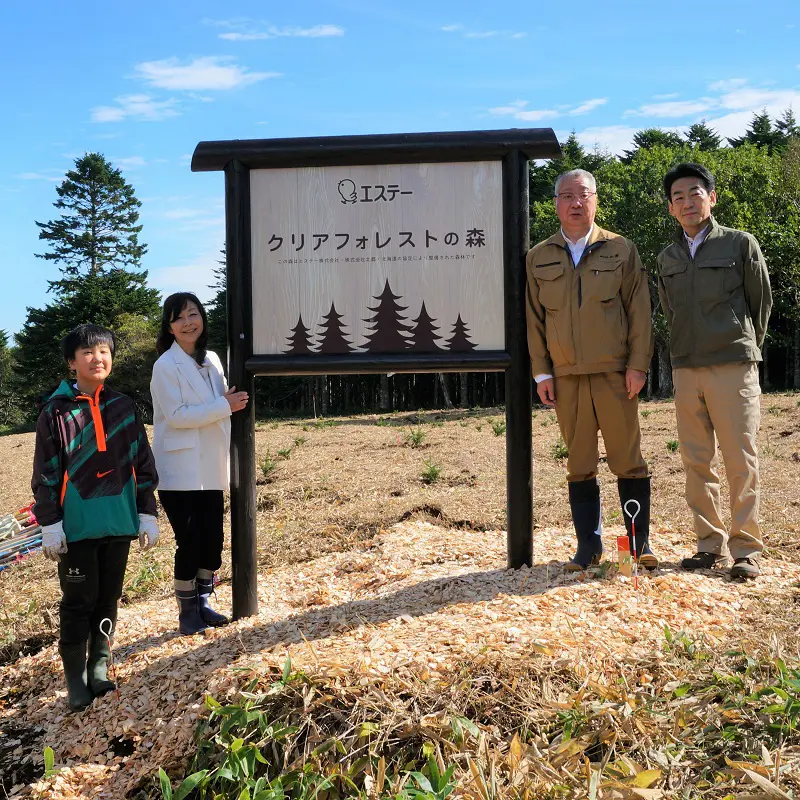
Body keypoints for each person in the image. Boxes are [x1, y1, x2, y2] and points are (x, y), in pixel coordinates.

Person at [526, 169, 656, 572]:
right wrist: (542, 373)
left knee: (628, 459)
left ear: (596, 200)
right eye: (567, 196)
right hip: (566, 377)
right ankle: (588, 547)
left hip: (615, 374)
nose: (576, 203)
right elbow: (533, 320)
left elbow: (639, 311)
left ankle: (638, 543)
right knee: (579, 463)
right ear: (556, 204)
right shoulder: (538, 257)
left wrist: (638, 365)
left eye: (583, 195)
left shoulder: (621, 248)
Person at [32, 324, 159, 711]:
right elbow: (46, 472)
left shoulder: (123, 407)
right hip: (76, 527)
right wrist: (50, 523)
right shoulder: (55, 411)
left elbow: (142, 462)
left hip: (119, 521)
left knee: (107, 598)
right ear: (71, 362)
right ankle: (75, 678)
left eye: (103, 351)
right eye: (87, 352)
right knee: (78, 601)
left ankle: (99, 667)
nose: (97, 358)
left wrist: (147, 512)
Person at [657, 163, 772, 580]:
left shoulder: (740, 244)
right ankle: (709, 545)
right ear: (671, 208)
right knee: (696, 461)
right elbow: (669, 310)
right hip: (687, 370)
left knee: (740, 459)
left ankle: (745, 549)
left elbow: (760, 303)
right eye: (678, 197)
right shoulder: (667, 257)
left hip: (732, 366)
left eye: (695, 193)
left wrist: (742, 343)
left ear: (712, 197)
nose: (687, 202)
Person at [150, 292, 249, 634]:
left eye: (193, 314)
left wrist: (226, 405)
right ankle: (187, 610)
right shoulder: (165, 366)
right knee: (190, 541)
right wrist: (225, 406)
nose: (188, 322)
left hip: (211, 463)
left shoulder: (212, 360)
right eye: (179, 317)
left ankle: (204, 600)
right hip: (180, 469)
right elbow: (177, 416)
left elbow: (221, 401)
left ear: (202, 319)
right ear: (169, 327)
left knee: (213, 540)